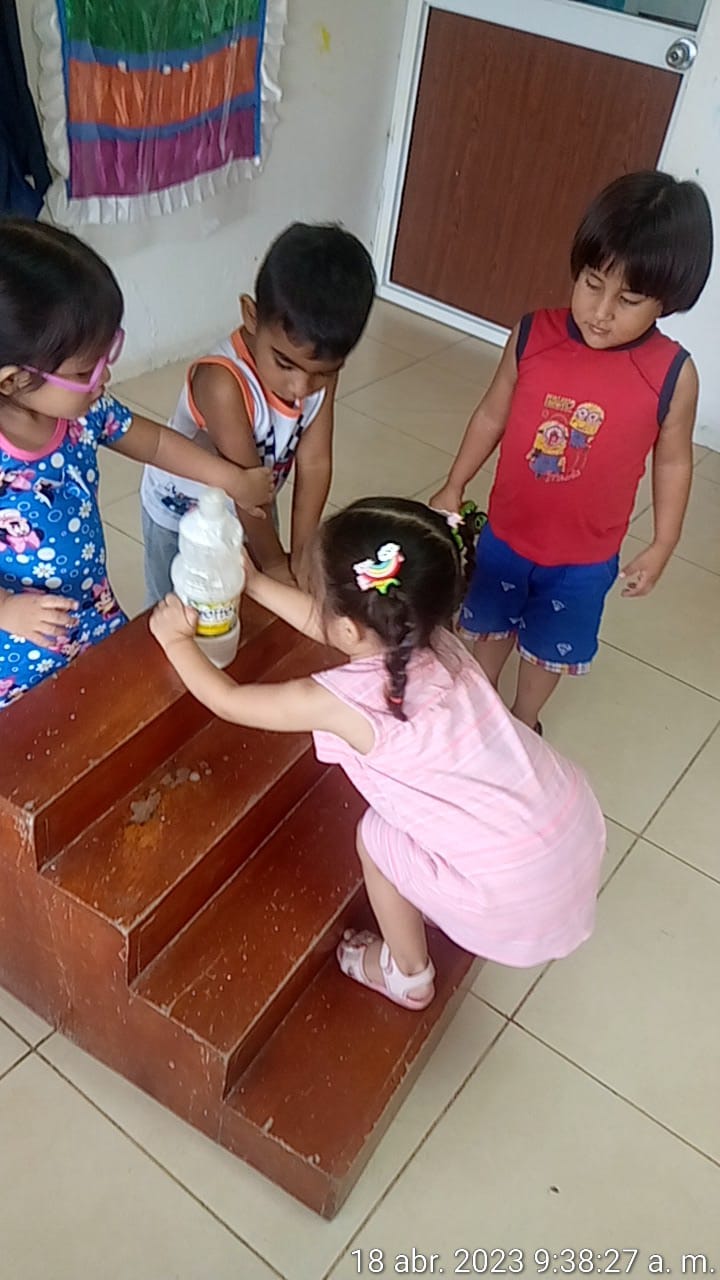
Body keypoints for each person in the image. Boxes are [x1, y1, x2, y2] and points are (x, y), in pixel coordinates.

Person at [150, 497, 606, 1010]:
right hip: (569, 827)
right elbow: (339, 629)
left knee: (377, 836)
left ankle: (408, 974)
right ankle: (443, 896)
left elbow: (229, 701)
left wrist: (176, 641)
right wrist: (253, 583)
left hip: (515, 896)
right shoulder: (435, 639)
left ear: (350, 627)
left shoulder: (344, 703)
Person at [431, 170, 713, 731]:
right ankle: (479, 711)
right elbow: (491, 413)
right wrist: (454, 482)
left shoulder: (672, 375)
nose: (601, 311)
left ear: (667, 300)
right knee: (488, 627)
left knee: (548, 651)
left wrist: (664, 542)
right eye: (591, 283)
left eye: (628, 299)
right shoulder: (532, 336)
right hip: (507, 535)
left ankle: (522, 721)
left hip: (584, 561)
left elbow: (674, 461)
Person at [0, 218, 272, 710]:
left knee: (122, 711)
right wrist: (6, 610)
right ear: (13, 380)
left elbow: (156, 444)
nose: (104, 377)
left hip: (93, 611)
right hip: (19, 651)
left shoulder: (81, 411)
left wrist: (231, 478)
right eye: (86, 370)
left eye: (108, 355)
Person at [140, 222, 376, 603]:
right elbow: (245, 487)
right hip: (184, 516)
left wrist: (302, 554)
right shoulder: (222, 384)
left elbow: (315, 463)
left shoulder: (318, 372)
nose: (301, 388)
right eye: (284, 364)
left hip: (256, 500)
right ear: (251, 316)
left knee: (251, 602)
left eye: (322, 373)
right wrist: (276, 563)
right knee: (180, 612)